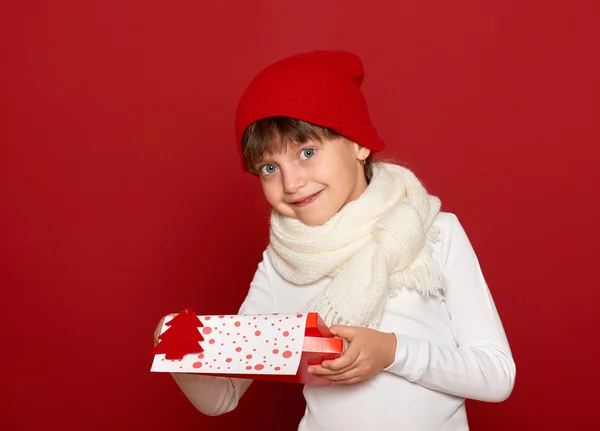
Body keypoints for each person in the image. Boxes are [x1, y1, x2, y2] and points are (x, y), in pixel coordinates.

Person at [154, 50, 516, 430]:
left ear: (359, 144)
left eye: (307, 152)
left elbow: (496, 375)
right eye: (269, 168)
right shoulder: (281, 264)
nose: (291, 183)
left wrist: (392, 351)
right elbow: (222, 397)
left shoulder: (435, 232)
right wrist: (180, 350)